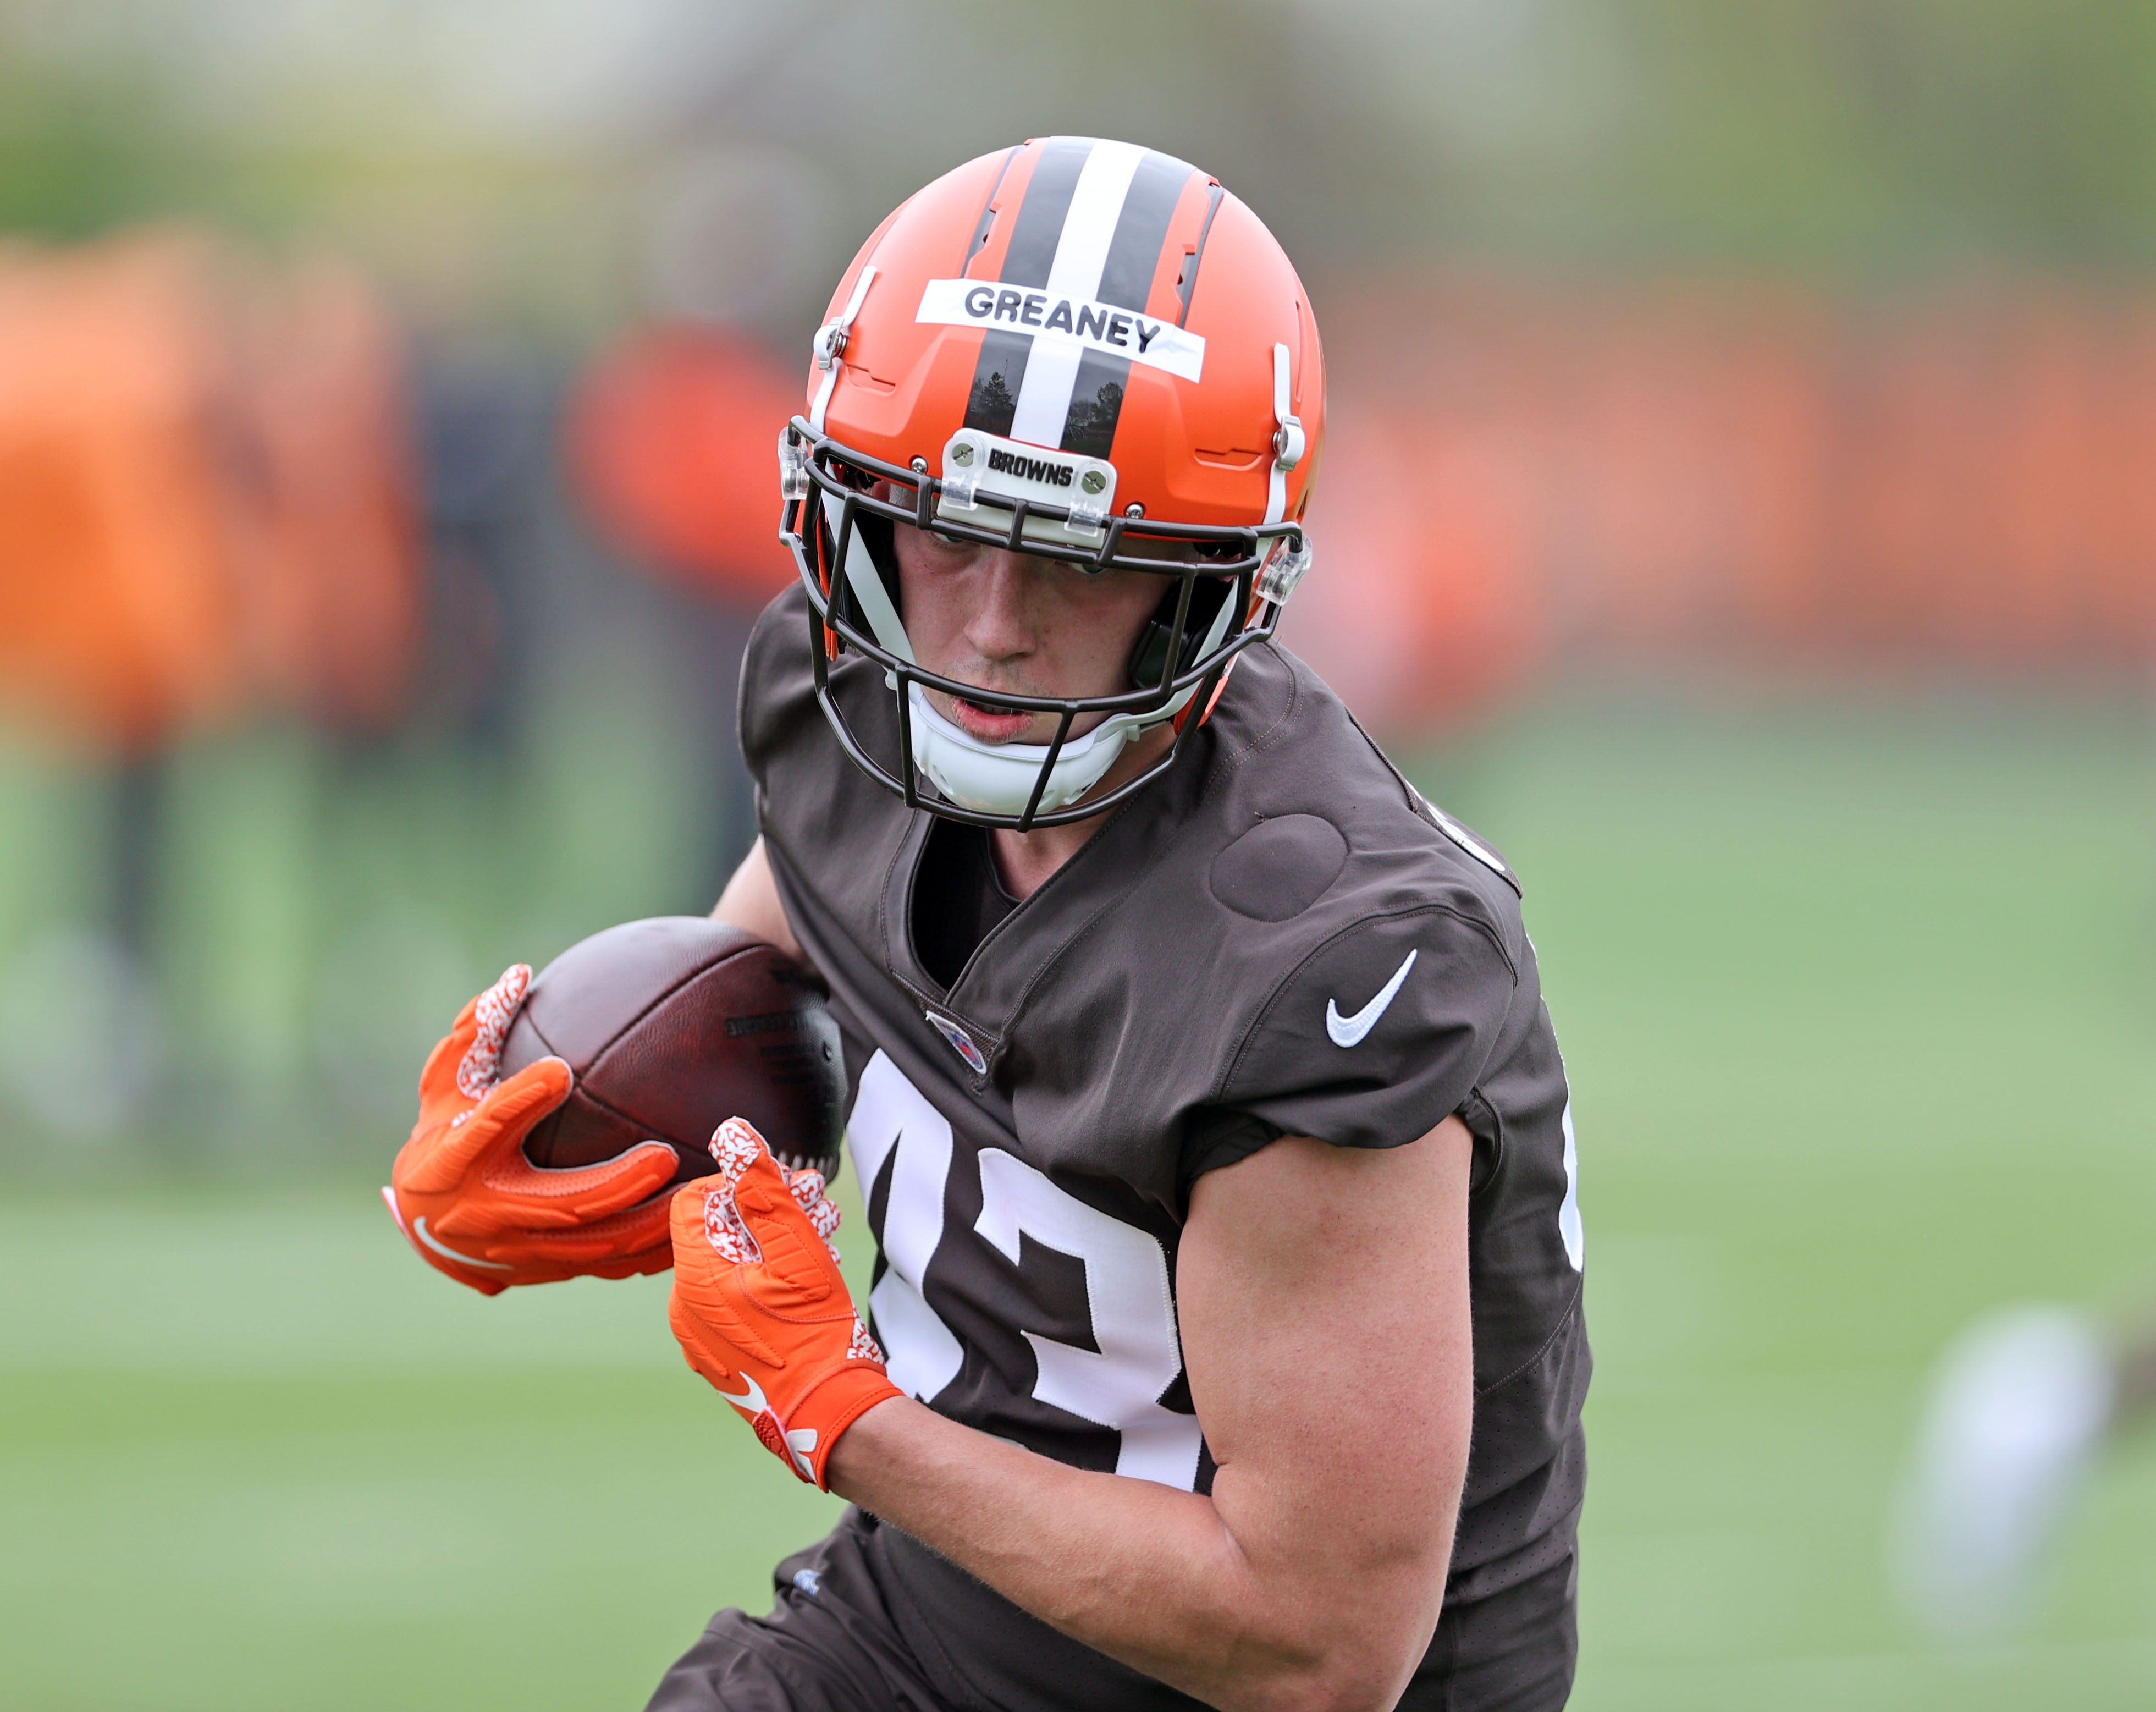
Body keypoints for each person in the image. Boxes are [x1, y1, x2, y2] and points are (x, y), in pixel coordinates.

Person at [385, 136, 1590, 1711]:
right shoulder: (842, 703)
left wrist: (841, 1408)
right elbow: (775, 961)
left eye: (1077, 561)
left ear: (1215, 585)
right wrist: (564, 1115)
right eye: (941, 530)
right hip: (933, 1622)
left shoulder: (1327, 957)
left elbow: (1313, 1644)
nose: (989, 627)